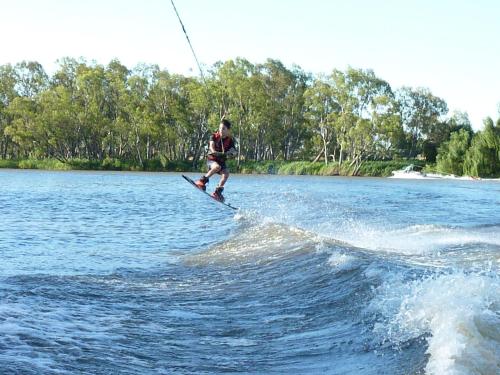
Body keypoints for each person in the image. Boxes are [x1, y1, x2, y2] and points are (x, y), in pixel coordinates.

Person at [195, 119, 237, 202]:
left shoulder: (230, 140)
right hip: (212, 160)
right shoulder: (214, 136)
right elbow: (211, 145)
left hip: (221, 162)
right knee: (217, 167)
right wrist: (214, 151)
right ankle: (201, 182)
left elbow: (234, 151)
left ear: (228, 130)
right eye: (220, 128)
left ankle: (217, 192)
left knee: (226, 172)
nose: (221, 130)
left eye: (224, 129)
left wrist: (230, 153)